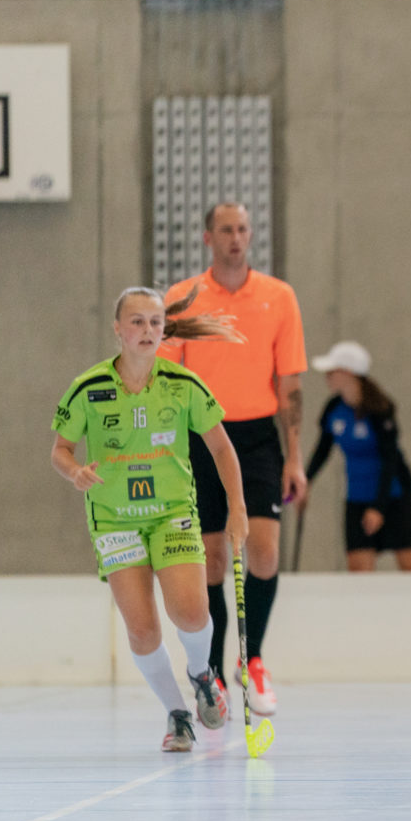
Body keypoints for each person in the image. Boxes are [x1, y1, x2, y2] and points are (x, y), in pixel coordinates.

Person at [52, 286, 246, 751]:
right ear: (117, 329)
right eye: (136, 322)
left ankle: (202, 674)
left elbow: (221, 447)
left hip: (172, 513)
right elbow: (60, 450)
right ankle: (177, 715)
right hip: (115, 519)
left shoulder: (183, 385)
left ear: (164, 330)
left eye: (155, 322)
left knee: (192, 611)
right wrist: (75, 471)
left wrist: (238, 507)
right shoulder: (88, 389)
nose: (146, 331)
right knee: (142, 629)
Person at [158, 202, 308, 717]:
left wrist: (295, 459)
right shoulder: (182, 300)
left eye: (243, 229)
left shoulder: (278, 297)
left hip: (257, 438)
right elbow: (166, 385)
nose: (236, 238)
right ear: (208, 238)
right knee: (214, 560)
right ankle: (215, 675)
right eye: (226, 230)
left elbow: (289, 384)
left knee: (264, 551)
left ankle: (255, 658)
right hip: (199, 438)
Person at [302, 341, 411, 573]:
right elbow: (322, 449)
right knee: (358, 569)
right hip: (357, 497)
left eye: (332, 371)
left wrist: (378, 507)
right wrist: (305, 482)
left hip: (394, 497)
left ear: (349, 373)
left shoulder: (379, 409)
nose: (327, 377)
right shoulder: (333, 408)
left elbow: (390, 460)